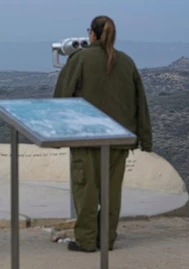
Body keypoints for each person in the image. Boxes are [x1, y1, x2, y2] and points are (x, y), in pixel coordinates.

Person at [53, 15, 153, 253]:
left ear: (93, 34)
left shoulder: (80, 59)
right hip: (119, 140)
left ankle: (87, 240)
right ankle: (107, 238)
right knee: (111, 193)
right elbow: (141, 104)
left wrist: (56, 133)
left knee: (86, 190)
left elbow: (62, 97)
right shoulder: (127, 62)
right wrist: (145, 139)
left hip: (87, 138)